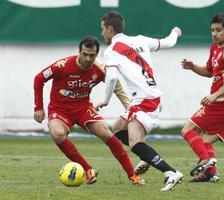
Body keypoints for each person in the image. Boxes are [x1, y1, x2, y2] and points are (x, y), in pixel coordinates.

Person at [33, 36, 145, 185]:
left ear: (96, 55)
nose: (87, 58)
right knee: (58, 134)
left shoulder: (100, 70)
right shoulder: (62, 65)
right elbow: (39, 78)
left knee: (106, 133)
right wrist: (38, 107)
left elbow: (116, 85)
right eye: (84, 54)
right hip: (60, 110)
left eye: (92, 55)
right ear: (79, 52)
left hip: (83, 108)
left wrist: (129, 106)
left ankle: (133, 175)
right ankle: (87, 170)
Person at [95, 11, 183, 191]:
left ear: (110, 29)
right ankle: (147, 157)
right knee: (118, 128)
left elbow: (111, 78)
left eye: (103, 29)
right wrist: (175, 32)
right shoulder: (141, 40)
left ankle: (171, 173)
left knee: (135, 143)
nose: (102, 33)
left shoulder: (111, 50)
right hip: (149, 97)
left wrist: (105, 100)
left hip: (145, 100)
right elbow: (169, 42)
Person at [180, 13, 224, 182]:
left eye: (218, 30)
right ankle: (211, 173)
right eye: (212, 30)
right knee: (204, 141)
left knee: (188, 130)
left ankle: (206, 161)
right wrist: (193, 67)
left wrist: (215, 95)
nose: (214, 34)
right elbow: (210, 72)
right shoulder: (215, 47)